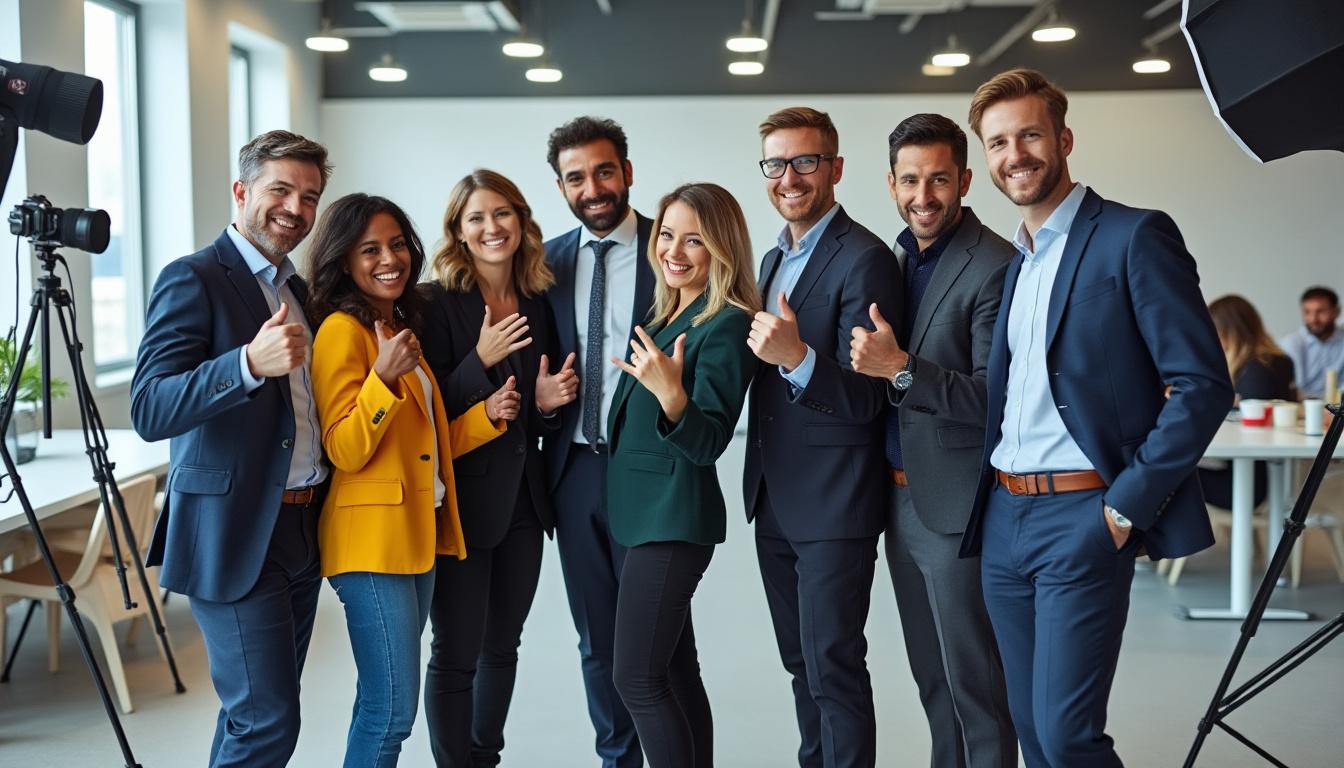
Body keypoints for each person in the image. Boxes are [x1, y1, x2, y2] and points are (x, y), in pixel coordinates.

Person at [960, 69, 1234, 767]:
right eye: (997, 142)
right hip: (1002, 519)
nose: (1014, 154)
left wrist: (1122, 510)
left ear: (1063, 138)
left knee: (1066, 735)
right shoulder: (1016, 262)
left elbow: (1201, 386)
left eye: (1028, 134)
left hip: (1083, 515)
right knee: (1030, 730)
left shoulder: (1133, 237)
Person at [131, 130, 332, 767]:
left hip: (302, 524)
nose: (295, 209)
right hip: (233, 528)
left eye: (309, 197)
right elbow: (151, 406)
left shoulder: (298, 291)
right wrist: (245, 363)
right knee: (267, 719)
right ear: (242, 191)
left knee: (255, 712)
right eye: (281, 190)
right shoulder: (193, 277)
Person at [305, 193, 507, 767]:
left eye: (396, 244)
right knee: (391, 710)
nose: (388, 258)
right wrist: (382, 380)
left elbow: (419, 444)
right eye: (369, 249)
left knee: (383, 703)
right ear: (344, 260)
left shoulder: (395, 323)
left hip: (413, 541)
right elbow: (343, 447)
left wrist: (485, 420)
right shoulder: (343, 332)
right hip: (370, 548)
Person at [848, 113, 1016, 768]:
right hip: (895, 501)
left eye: (939, 179)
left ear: (965, 180)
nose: (924, 196)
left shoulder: (995, 265)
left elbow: (993, 398)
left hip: (956, 509)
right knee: (932, 681)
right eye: (911, 180)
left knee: (975, 685)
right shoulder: (889, 260)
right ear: (891, 184)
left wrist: (904, 370)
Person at [742, 106, 902, 768]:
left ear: (835, 168)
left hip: (835, 503)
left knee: (832, 667)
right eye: (776, 164)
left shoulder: (864, 258)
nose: (790, 177)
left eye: (805, 161)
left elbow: (871, 393)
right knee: (801, 664)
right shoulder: (775, 255)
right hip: (776, 498)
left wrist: (797, 357)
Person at [420, 169, 577, 767]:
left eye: (502, 214)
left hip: (524, 505)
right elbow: (425, 407)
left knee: (503, 647)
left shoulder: (539, 300)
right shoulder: (436, 303)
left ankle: (484, 757)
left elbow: (532, 415)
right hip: (460, 504)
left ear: (521, 219)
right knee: (457, 651)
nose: (492, 228)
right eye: (477, 218)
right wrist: (477, 362)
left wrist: (542, 404)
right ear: (458, 232)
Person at [607, 183, 760, 768]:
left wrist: (672, 395)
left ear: (721, 248)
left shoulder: (725, 324)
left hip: (672, 520)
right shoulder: (671, 314)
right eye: (667, 234)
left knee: (637, 681)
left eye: (694, 239)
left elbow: (710, 440)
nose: (674, 250)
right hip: (643, 515)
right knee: (672, 672)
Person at [542, 115, 656, 767]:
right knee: (598, 639)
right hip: (575, 469)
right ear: (560, 186)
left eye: (604, 171)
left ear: (627, 172)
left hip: (650, 471)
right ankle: (619, 758)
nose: (593, 188)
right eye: (576, 177)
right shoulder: (547, 264)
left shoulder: (669, 252)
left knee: (656, 638)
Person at [1199, 294, 1296, 509]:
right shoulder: (1279, 361)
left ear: (1229, 330)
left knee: (1171, 476)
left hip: (1249, 486)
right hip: (1276, 478)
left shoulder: (1254, 370)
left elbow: (1250, 432)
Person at [1278, 286, 1344, 399]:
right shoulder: (1290, 344)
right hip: (1303, 407)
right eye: (1307, 312)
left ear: (1336, 312)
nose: (1313, 319)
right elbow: (1289, 387)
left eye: (1321, 312)